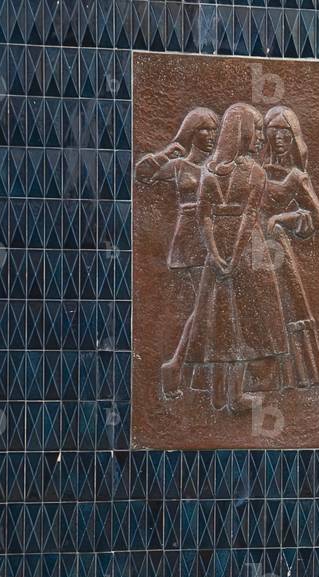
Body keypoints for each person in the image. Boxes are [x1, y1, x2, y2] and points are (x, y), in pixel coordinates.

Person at [181, 103, 289, 412]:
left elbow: (207, 218)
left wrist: (216, 255)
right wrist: (226, 257)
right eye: (256, 131)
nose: (260, 138)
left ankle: (228, 395)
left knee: (225, 320)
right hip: (242, 251)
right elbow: (246, 216)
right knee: (233, 321)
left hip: (226, 251)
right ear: (241, 132)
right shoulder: (253, 172)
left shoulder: (209, 171)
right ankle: (228, 397)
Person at [135, 107, 220, 398]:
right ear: (191, 133)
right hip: (190, 241)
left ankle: (189, 370)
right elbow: (143, 174)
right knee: (204, 306)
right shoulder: (179, 166)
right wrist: (163, 154)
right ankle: (180, 368)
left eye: (214, 130)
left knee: (206, 307)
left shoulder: (217, 167)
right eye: (204, 130)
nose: (210, 136)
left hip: (213, 238)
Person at [260, 105, 319, 388]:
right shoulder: (256, 169)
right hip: (248, 246)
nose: (278, 138)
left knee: (285, 307)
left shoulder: (296, 176)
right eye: (272, 131)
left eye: (284, 132)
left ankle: (293, 377)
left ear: (294, 136)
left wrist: (283, 217)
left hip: (276, 248)